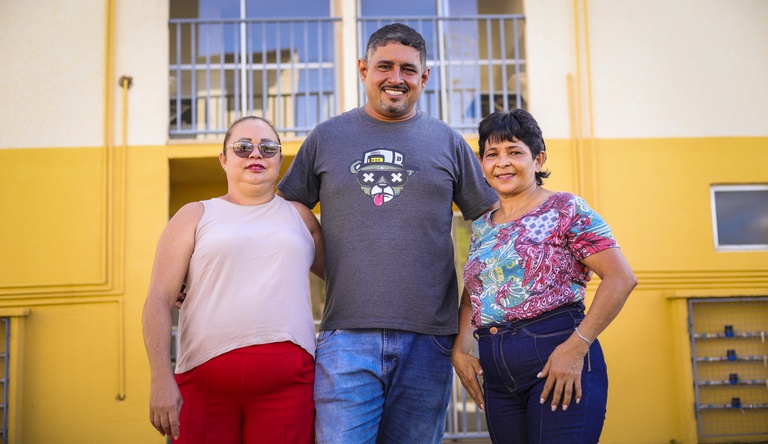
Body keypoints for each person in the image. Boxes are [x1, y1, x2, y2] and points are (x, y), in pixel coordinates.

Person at [277, 23, 498, 443]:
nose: (396, 78)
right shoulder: (326, 138)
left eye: (408, 69)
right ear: (363, 70)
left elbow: (493, 227)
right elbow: (287, 209)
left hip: (429, 341)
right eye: (384, 66)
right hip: (346, 337)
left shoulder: (449, 143)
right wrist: (329, 262)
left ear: (424, 77)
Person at [452, 108, 637, 444]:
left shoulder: (566, 208)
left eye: (514, 152)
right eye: (492, 154)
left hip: (556, 356)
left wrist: (576, 348)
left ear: (538, 160)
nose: (502, 162)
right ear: (482, 164)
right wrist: (460, 350)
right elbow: (474, 293)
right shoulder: (481, 225)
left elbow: (621, 278)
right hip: (497, 372)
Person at [142, 116, 323, 443]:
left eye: (268, 148)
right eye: (242, 148)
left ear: (279, 160)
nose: (256, 155)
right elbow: (158, 299)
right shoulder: (194, 215)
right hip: (203, 383)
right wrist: (159, 378)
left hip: (288, 384)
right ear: (223, 159)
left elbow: (345, 279)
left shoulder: (301, 217)